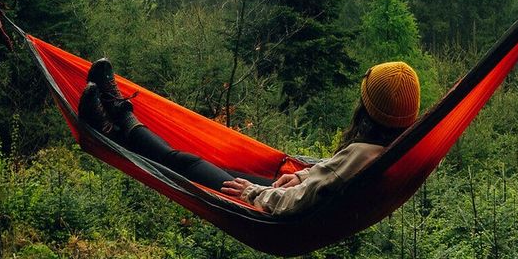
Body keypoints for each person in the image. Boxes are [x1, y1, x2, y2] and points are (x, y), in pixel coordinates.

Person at [220, 61, 421, 216]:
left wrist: (251, 192)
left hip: (279, 212)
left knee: (193, 163)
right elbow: (335, 173)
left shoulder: (362, 153)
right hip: (291, 192)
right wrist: (303, 176)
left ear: (368, 108)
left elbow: (296, 201)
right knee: (222, 169)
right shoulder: (400, 148)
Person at [78, 58, 236, 190]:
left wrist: (254, 194)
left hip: (254, 203)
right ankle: (116, 129)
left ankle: (122, 119)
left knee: (185, 164)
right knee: (217, 168)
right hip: (258, 190)